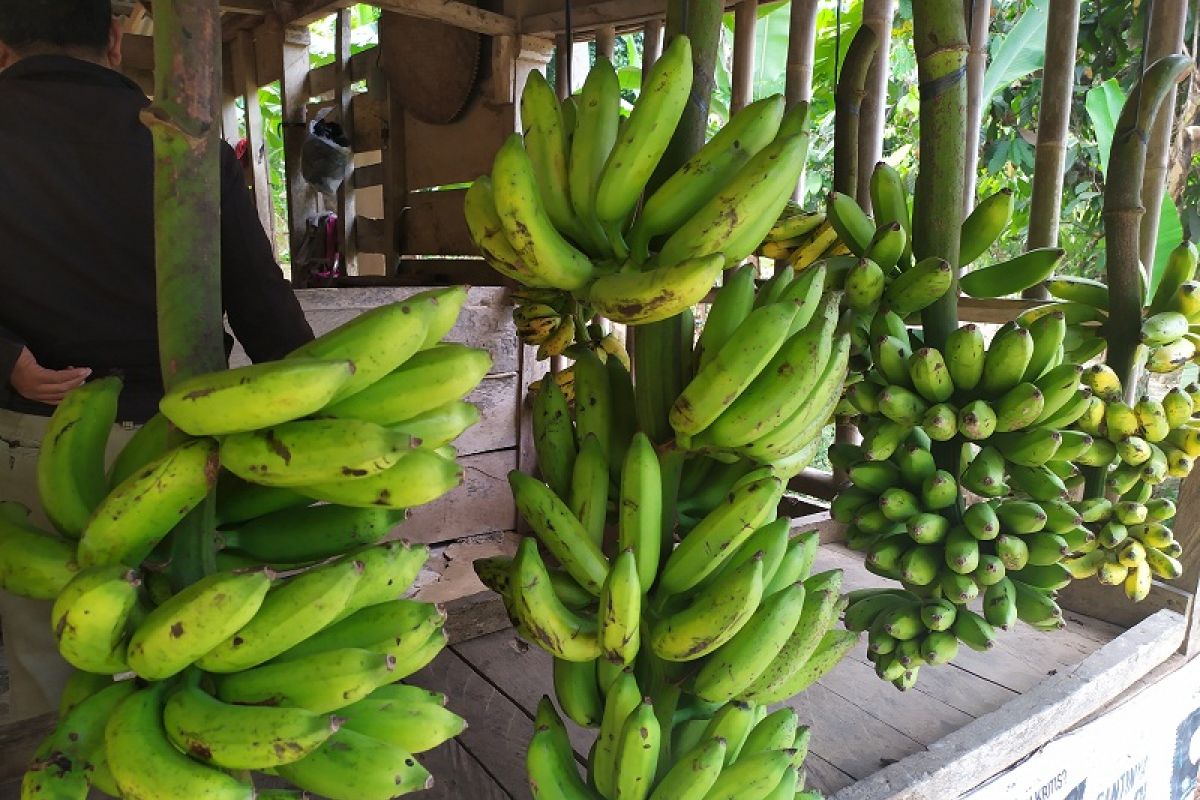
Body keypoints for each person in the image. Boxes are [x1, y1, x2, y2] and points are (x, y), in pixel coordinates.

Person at [0, 0, 315, 721]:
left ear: (1, 46)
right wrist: (322, 405)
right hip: (178, 444)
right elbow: (262, 307)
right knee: (186, 637)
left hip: (37, 440)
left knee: (48, 655)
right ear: (116, 39)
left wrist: (8, 359)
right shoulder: (184, 138)